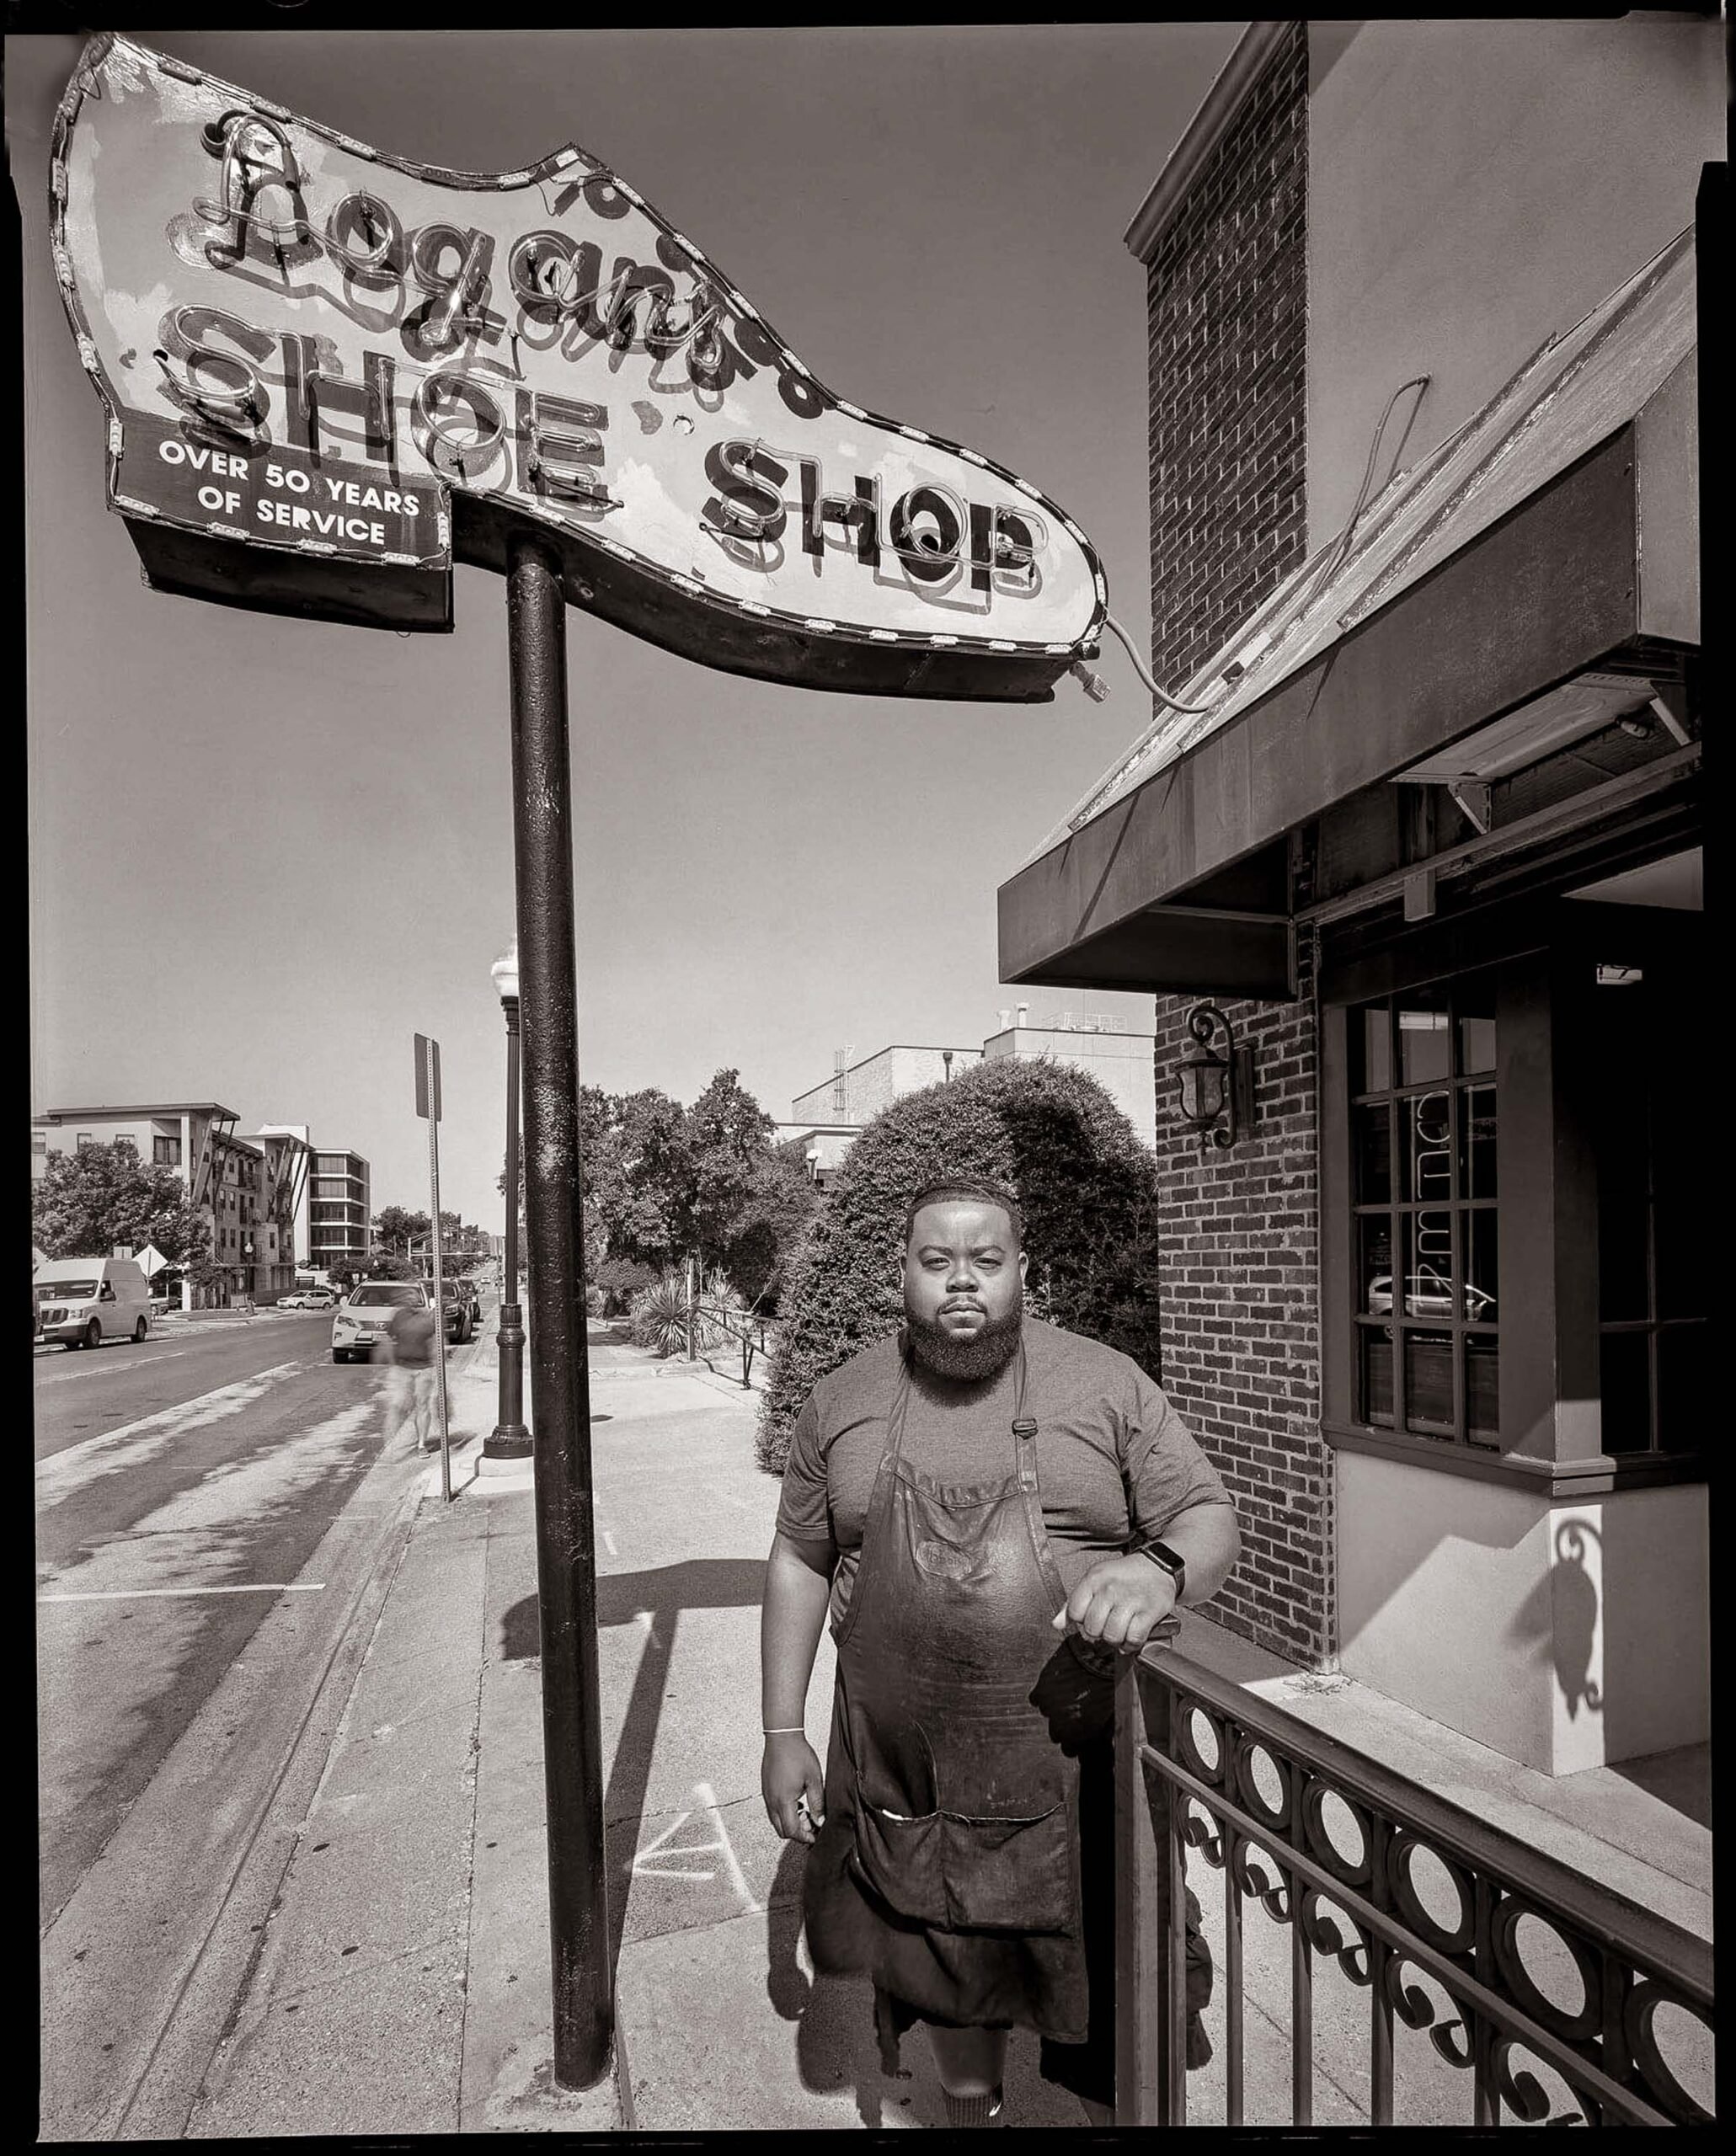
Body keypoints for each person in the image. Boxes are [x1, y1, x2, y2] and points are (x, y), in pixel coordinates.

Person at [760, 1175, 1240, 2127]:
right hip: (913, 1781)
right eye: (937, 1262)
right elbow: (799, 1556)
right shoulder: (843, 1399)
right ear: (902, 1271)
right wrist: (782, 1727)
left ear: (1024, 1269)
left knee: (1115, 1996)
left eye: (986, 1260)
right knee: (946, 1974)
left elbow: (1209, 1513)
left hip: (1086, 1772)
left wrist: (1159, 1573)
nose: (962, 1282)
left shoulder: (1104, 1383)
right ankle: (967, 2107)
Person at [375, 1290, 439, 1451]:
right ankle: (390, 1446)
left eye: (413, 1298)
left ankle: (421, 1445)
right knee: (397, 1405)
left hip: (424, 1368)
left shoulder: (426, 1318)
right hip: (402, 1368)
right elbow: (388, 1340)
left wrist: (438, 1362)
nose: (410, 1301)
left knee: (422, 1405)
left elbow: (437, 1341)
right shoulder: (398, 1317)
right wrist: (388, 1364)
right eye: (406, 1298)